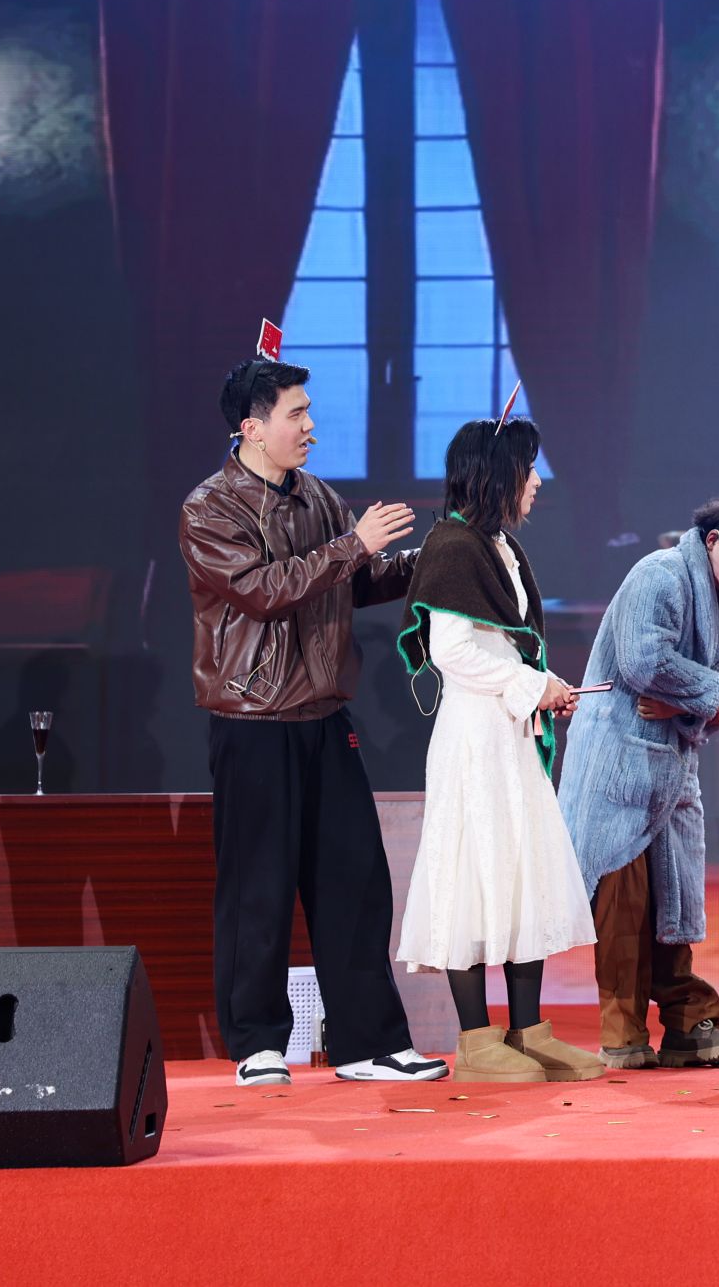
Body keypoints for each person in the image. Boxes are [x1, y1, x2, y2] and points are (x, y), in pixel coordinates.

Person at [179, 355, 447, 1086]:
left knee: (355, 879)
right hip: (252, 717)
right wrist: (353, 544)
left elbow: (356, 581)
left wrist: (437, 555)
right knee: (258, 885)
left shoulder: (318, 497)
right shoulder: (209, 508)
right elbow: (264, 590)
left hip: (325, 713)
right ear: (251, 427)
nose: (310, 427)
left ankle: (368, 1042)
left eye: (307, 412)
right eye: (296, 414)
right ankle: (258, 1043)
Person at [393, 418, 603, 1083]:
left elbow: (507, 645)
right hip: (475, 738)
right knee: (473, 871)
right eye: (526, 469)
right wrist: (533, 686)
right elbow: (452, 651)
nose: (536, 481)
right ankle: (477, 1041)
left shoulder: (499, 544)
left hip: (509, 731)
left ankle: (528, 1030)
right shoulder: (453, 545)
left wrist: (543, 685)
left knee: (519, 873)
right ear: (495, 475)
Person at [558, 494, 719, 1069]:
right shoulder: (659, 574)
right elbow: (641, 661)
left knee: (674, 901)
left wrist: (685, 704)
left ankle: (686, 1026)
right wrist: (707, 694)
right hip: (618, 762)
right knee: (622, 901)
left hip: (675, 764)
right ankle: (623, 1035)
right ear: (712, 539)